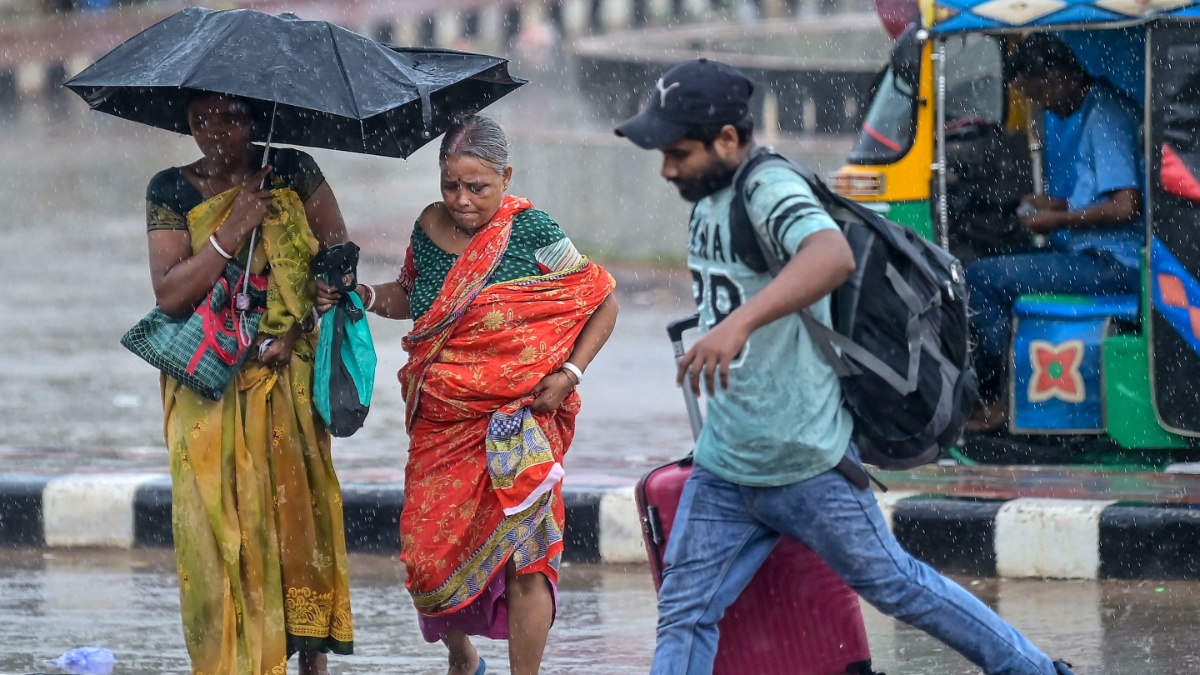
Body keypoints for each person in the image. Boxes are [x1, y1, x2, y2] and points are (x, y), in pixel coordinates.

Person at [615, 58, 1076, 675]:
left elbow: (829, 255)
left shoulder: (767, 188)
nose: (668, 168)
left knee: (897, 586)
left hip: (806, 461)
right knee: (685, 614)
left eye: (679, 152)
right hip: (726, 466)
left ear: (727, 139)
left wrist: (739, 323)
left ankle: (1034, 670)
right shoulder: (708, 197)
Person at [316, 115, 619, 675]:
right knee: (427, 561)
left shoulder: (533, 231)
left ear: (506, 176)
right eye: (450, 185)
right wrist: (359, 294)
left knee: (528, 559)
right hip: (444, 423)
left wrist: (571, 374)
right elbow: (412, 295)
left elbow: (600, 298)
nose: (461, 200)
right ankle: (464, 657)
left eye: (477, 187)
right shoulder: (428, 226)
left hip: (523, 419)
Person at [144, 92, 353, 675]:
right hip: (205, 385)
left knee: (296, 519)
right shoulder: (169, 188)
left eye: (233, 116)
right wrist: (233, 228)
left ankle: (310, 663)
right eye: (202, 118)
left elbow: (338, 261)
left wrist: (294, 328)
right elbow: (170, 294)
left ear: (255, 119)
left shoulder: (291, 170)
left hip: (282, 377)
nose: (217, 130)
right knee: (212, 526)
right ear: (186, 121)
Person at [966, 33, 1143, 430]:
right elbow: (1097, 197)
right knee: (989, 271)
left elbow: (1126, 206)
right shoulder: (1088, 109)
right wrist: (1054, 207)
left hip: (1115, 264)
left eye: (1039, 93)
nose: (1039, 105)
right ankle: (1003, 394)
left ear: (1060, 74)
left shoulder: (1106, 116)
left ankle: (1000, 399)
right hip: (1090, 254)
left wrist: (1057, 221)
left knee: (982, 278)